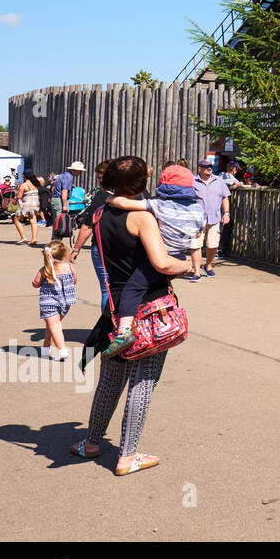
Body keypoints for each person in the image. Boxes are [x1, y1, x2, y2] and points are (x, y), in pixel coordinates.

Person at [74, 156, 192, 475]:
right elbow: (163, 263)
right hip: (150, 308)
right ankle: (127, 456)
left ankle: (91, 442)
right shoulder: (142, 219)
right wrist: (188, 266)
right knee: (143, 381)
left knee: (110, 380)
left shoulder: (99, 214)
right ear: (142, 184)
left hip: (114, 309)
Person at [103, 165, 206, 356]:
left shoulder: (159, 205)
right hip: (179, 255)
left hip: (161, 255)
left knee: (133, 290)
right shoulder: (199, 210)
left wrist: (109, 199)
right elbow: (200, 231)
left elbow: (125, 205)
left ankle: (124, 332)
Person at [71, 159, 114, 314]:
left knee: (106, 290)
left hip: (103, 248)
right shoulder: (131, 195)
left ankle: (106, 328)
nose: (99, 181)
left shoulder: (102, 196)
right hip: (126, 248)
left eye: (100, 177)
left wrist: (76, 249)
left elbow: (88, 226)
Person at [33, 241, 76, 360]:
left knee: (54, 325)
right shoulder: (69, 267)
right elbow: (74, 280)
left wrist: (36, 282)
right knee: (51, 325)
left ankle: (62, 350)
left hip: (49, 302)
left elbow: (36, 283)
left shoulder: (44, 270)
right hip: (66, 302)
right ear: (64, 254)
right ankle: (46, 348)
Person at [190, 158, 230, 280]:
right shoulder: (192, 181)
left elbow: (225, 197)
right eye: (206, 166)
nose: (209, 168)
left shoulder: (219, 181)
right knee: (196, 245)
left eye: (210, 166)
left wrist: (226, 213)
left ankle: (208, 266)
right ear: (200, 168)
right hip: (196, 220)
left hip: (214, 218)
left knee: (212, 245)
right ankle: (196, 272)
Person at [51, 161, 83, 233]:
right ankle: (56, 241)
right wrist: (65, 205)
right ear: (75, 170)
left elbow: (53, 189)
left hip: (55, 199)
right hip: (59, 200)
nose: (80, 173)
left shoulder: (62, 175)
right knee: (60, 222)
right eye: (80, 171)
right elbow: (64, 191)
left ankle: (54, 241)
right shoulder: (69, 177)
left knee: (56, 221)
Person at [13, 171, 42, 245]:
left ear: (25, 176)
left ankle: (23, 237)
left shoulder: (24, 185)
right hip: (35, 204)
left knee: (16, 219)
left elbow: (19, 197)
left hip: (26, 204)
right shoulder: (36, 184)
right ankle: (34, 239)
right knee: (33, 221)